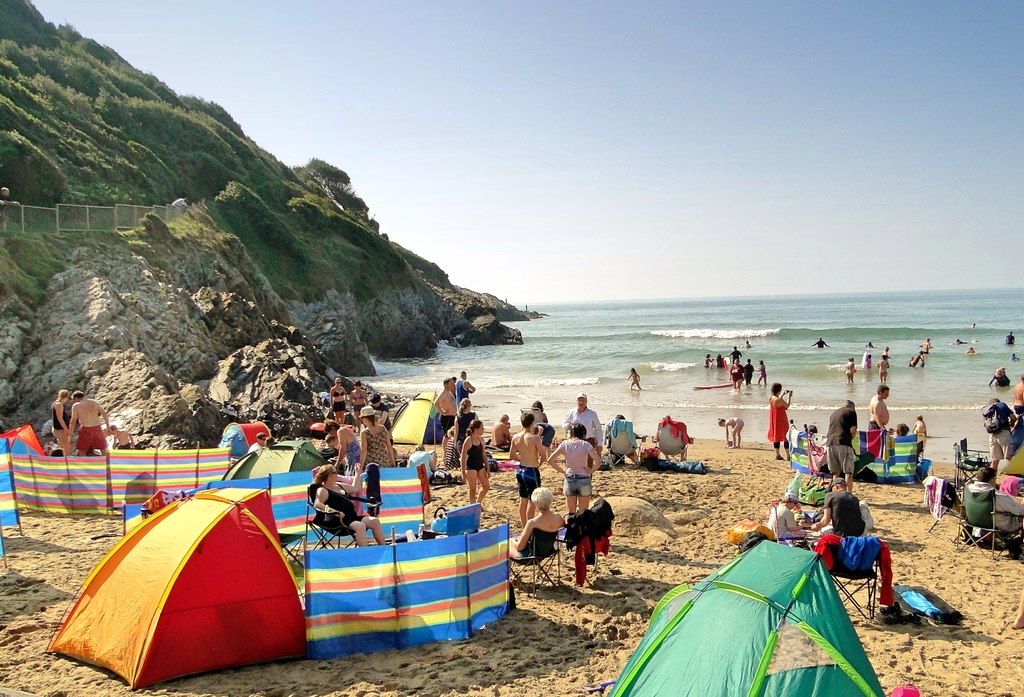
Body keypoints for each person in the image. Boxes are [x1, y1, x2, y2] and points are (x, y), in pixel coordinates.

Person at [309, 464, 385, 547]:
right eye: (335, 472)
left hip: (351, 517)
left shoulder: (338, 485)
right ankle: (364, 552)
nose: (337, 474)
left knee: (374, 521)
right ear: (330, 475)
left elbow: (355, 488)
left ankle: (384, 548)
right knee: (360, 526)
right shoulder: (322, 490)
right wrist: (333, 511)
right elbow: (317, 504)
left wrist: (357, 473)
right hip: (337, 520)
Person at [546, 423, 599, 514]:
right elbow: (598, 461)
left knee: (570, 512)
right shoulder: (585, 444)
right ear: (583, 434)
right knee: (583, 512)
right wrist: (591, 471)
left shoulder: (565, 444)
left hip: (570, 477)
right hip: (584, 478)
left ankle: (570, 528)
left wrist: (562, 471)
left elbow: (550, 460)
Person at [509, 412, 547, 526]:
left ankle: (524, 525)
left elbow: (511, 455)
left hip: (520, 470)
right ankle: (529, 526)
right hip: (531, 470)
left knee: (523, 499)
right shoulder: (534, 438)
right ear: (532, 423)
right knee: (532, 500)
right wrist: (539, 462)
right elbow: (543, 455)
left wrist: (522, 459)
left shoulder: (516, 437)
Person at [509, 487, 564, 560]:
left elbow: (520, 547)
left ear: (535, 503)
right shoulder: (559, 519)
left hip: (531, 555)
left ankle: (507, 570)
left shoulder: (532, 523)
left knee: (507, 543)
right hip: (550, 551)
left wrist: (512, 541)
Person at [966, 467, 1024, 535]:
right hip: (997, 525)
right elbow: (1020, 511)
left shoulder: (968, 488)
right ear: (991, 479)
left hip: (973, 522)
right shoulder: (996, 495)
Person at [826, 400, 858, 492]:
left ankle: (835, 494)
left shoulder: (834, 413)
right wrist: (850, 439)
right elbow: (853, 430)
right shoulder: (851, 412)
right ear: (852, 406)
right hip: (843, 442)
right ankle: (848, 494)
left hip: (830, 443)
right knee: (848, 471)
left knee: (836, 472)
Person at [68, 390, 111, 456]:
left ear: (76, 398)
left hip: (86, 428)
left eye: (73, 399)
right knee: (103, 449)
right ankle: (107, 465)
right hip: (97, 427)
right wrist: (108, 427)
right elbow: (104, 414)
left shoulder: (76, 406)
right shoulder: (94, 402)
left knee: (82, 450)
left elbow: (73, 422)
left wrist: (70, 436)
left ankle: (85, 465)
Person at [459, 419, 490, 507]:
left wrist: (487, 467)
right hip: (471, 467)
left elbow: (484, 455)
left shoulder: (481, 440)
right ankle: (473, 507)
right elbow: (463, 457)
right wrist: (463, 472)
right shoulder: (468, 440)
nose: (483, 430)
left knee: (486, 487)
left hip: (480, 466)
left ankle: (478, 502)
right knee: (472, 489)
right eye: (482, 428)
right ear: (476, 429)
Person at [982, 398, 1016, 473]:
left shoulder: (986, 410)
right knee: (1009, 458)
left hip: (992, 436)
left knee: (994, 461)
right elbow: (1013, 418)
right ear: (998, 402)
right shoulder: (1002, 405)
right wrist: (1011, 424)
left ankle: (992, 481)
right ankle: (1012, 480)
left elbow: (985, 425)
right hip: (1004, 434)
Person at [767, 383, 792, 460]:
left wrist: (782, 394)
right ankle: (788, 455)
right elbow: (787, 405)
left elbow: (777, 401)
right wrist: (789, 397)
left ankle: (777, 455)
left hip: (774, 419)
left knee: (776, 437)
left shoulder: (771, 398)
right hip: (781, 419)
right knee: (785, 437)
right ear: (779, 390)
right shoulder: (779, 400)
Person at [434, 378, 457, 449]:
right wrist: (442, 412)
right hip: (447, 417)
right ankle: (444, 451)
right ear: (445, 385)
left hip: (452, 416)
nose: (453, 385)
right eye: (451, 384)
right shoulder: (443, 393)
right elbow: (436, 403)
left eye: (453, 383)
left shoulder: (449, 392)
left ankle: (450, 449)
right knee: (447, 435)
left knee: (452, 433)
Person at [50, 389, 72, 455]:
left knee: (63, 445)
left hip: (57, 428)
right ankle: (67, 459)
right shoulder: (59, 404)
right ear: (65, 397)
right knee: (66, 446)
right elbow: (60, 418)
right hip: (60, 429)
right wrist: (65, 429)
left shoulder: (55, 403)